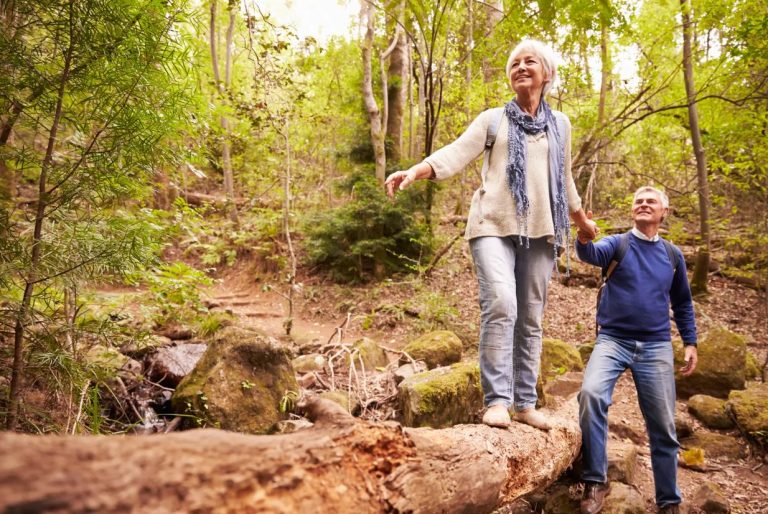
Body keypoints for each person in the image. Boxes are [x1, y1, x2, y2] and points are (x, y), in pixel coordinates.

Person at [385, 39, 598, 431]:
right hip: (492, 226)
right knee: (501, 303)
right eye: (514, 62)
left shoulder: (561, 125)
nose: (520, 67)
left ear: (546, 73)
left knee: (531, 317)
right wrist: (414, 171)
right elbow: (455, 153)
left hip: (541, 230)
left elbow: (563, 178)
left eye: (529, 61)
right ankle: (497, 400)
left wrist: (582, 221)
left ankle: (524, 402)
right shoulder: (493, 120)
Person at [575, 186, 698, 514]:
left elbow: (683, 302)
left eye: (651, 201)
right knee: (590, 395)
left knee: (663, 425)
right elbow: (590, 254)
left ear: (663, 213)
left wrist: (690, 342)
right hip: (613, 340)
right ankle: (595, 480)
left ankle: (669, 501)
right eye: (638, 201)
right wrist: (584, 237)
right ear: (633, 211)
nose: (644, 205)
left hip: (656, 346)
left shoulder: (672, 255)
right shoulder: (618, 244)